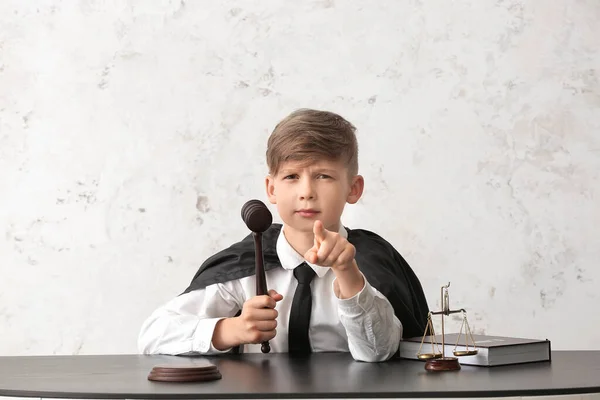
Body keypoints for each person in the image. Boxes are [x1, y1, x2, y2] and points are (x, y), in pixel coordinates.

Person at [138, 109, 429, 362]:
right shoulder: (245, 265)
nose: (306, 192)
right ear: (271, 189)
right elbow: (152, 336)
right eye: (291, 176)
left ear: (353, 189)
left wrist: (348, 274)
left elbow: (380, 351)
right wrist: (229, 330)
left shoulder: (371, 262)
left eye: (323, 176)